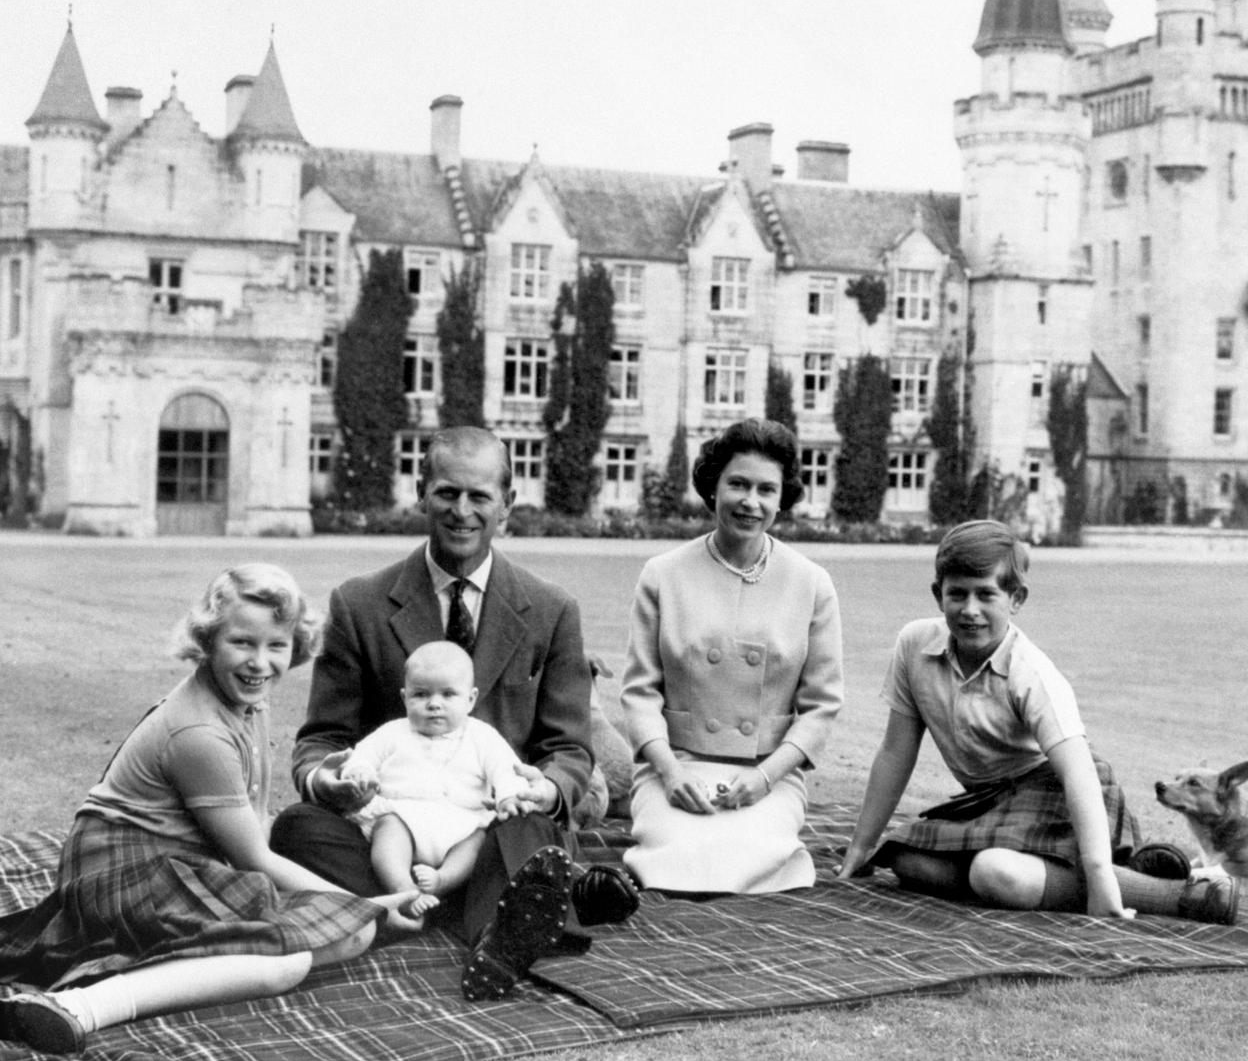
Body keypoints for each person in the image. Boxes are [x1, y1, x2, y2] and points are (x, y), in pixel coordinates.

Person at [270, 426, 639, 1001]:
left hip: (493, 829)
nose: (461, 511)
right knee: (297, 829)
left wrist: (545, 788)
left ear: (507, 504)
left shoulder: (552, 609)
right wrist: (328, 780)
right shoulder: (359, 604)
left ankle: (455, 911)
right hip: (388, 834)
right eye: (446, 493)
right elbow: (321, 739)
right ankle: (513, 911)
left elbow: (568, 748)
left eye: (479, 496)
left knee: (534, 829)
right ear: (422, 493)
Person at [0, 565, 420, 1057]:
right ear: (208, 640)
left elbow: (255, 824)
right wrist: (368, 905)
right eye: (241, 643)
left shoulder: (248, 700)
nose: (259, 662)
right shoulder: (199, 733)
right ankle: (80, 1005)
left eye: (277, 645)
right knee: (289, 959)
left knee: (347, 933)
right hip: (121, 870)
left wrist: (353, 906)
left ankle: (151, 967)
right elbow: (255, 859)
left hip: (175, 866)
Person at [836, 520, 1238, 925]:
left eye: (986, 594)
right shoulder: (914, 645)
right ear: (937, 595)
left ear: (1016, 598)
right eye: (957, 594)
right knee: (906, 859)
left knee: (993, 872)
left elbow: (1078, 772)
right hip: (990, 800)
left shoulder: (1030, 673)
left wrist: (1099, 873)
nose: (970, 610)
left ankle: (1179, 894)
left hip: (1059, 791)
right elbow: (896, 751)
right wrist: (861, 846)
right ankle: (1117, 869)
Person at [620, 417, 844, 893]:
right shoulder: (662, 575)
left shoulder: (811, 583)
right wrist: (670, 772)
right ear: (713, 486)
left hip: (766, 772)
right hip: (677, 765)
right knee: (681, 854)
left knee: (747, 855)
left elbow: (822, 707)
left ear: (782, 498)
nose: (750, 502)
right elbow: (640, 694)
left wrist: (765, 777)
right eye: (738, 484)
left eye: (766, 489)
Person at [339, 641, 529, 912]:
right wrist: (360, 772)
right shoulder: (393, 732)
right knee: (388, 830)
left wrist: (509, 796)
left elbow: (506, 768)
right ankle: (403, 889)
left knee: (477, 841)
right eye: (421, 694)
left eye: (448, 694)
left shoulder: (482, 736)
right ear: (404, 697)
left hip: (461, 822)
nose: (434, 704)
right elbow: (363, 755)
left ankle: (443, 881)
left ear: (471, 699)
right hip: (404, 816)